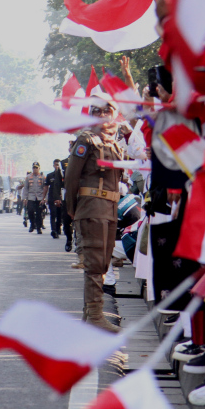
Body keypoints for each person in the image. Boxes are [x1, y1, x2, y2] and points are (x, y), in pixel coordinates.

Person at [65, 99, 126, 333]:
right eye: (96, 111)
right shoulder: (86, 140)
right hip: (91, 208)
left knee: (102, 264)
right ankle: (95, 316)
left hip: (110, 209)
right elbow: (71, 177)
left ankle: (89, 317)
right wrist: (72, 209)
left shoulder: (114, 143)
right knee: (93, 265)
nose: (101, 115)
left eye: (106, 111)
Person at [19, 162, 48, 234]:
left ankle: (39, 228)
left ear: (39, 168)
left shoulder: (42, 177)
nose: (35, 169)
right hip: (31, 197)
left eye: (36, 168)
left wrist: (45, 198)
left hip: (40, 197)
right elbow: (26, 188)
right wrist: (24, 198)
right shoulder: (28, 177)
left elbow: (46, 188)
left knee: (39, 213)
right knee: (30, 211)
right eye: (34, 168)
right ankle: (32, 224)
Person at [45, 159, 65, 240]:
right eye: (55, 164)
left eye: (58, 165)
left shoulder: (63, 175)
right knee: (53, 214)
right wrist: (44, 198)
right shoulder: (50, 175)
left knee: (59, 215)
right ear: (53, 165)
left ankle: (58, 228)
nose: (57, 166)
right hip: (52, 198)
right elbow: (46, 187)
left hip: (61, 198)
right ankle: (54, 230)